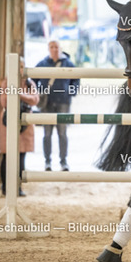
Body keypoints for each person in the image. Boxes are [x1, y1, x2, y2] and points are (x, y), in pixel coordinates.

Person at [34, 40, 80, 171]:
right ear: (48, 49)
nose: (54, 49)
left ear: (60, 48)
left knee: (62, 133)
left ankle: (63, 162)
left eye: (56, 47)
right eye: (52, 47)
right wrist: (37, 93)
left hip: (63, 102)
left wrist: (70, 92)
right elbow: (33, 80)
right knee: (47, 134)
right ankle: (47, 162)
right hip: (47, 103)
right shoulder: (42, 64)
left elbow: (76, 79)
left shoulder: (68, 64)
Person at [0, 57, 39, 196]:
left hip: (25, 121)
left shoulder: (29, 83)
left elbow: (35, 99)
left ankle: (18, 187)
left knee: (22, 155)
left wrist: (18, 94)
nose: (20, 70)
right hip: (9, 120)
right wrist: (20, 95)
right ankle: (5, 187)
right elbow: (4, 101)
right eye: (18, 66)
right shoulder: (6, 82)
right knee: (7, 156)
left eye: (22, 67)